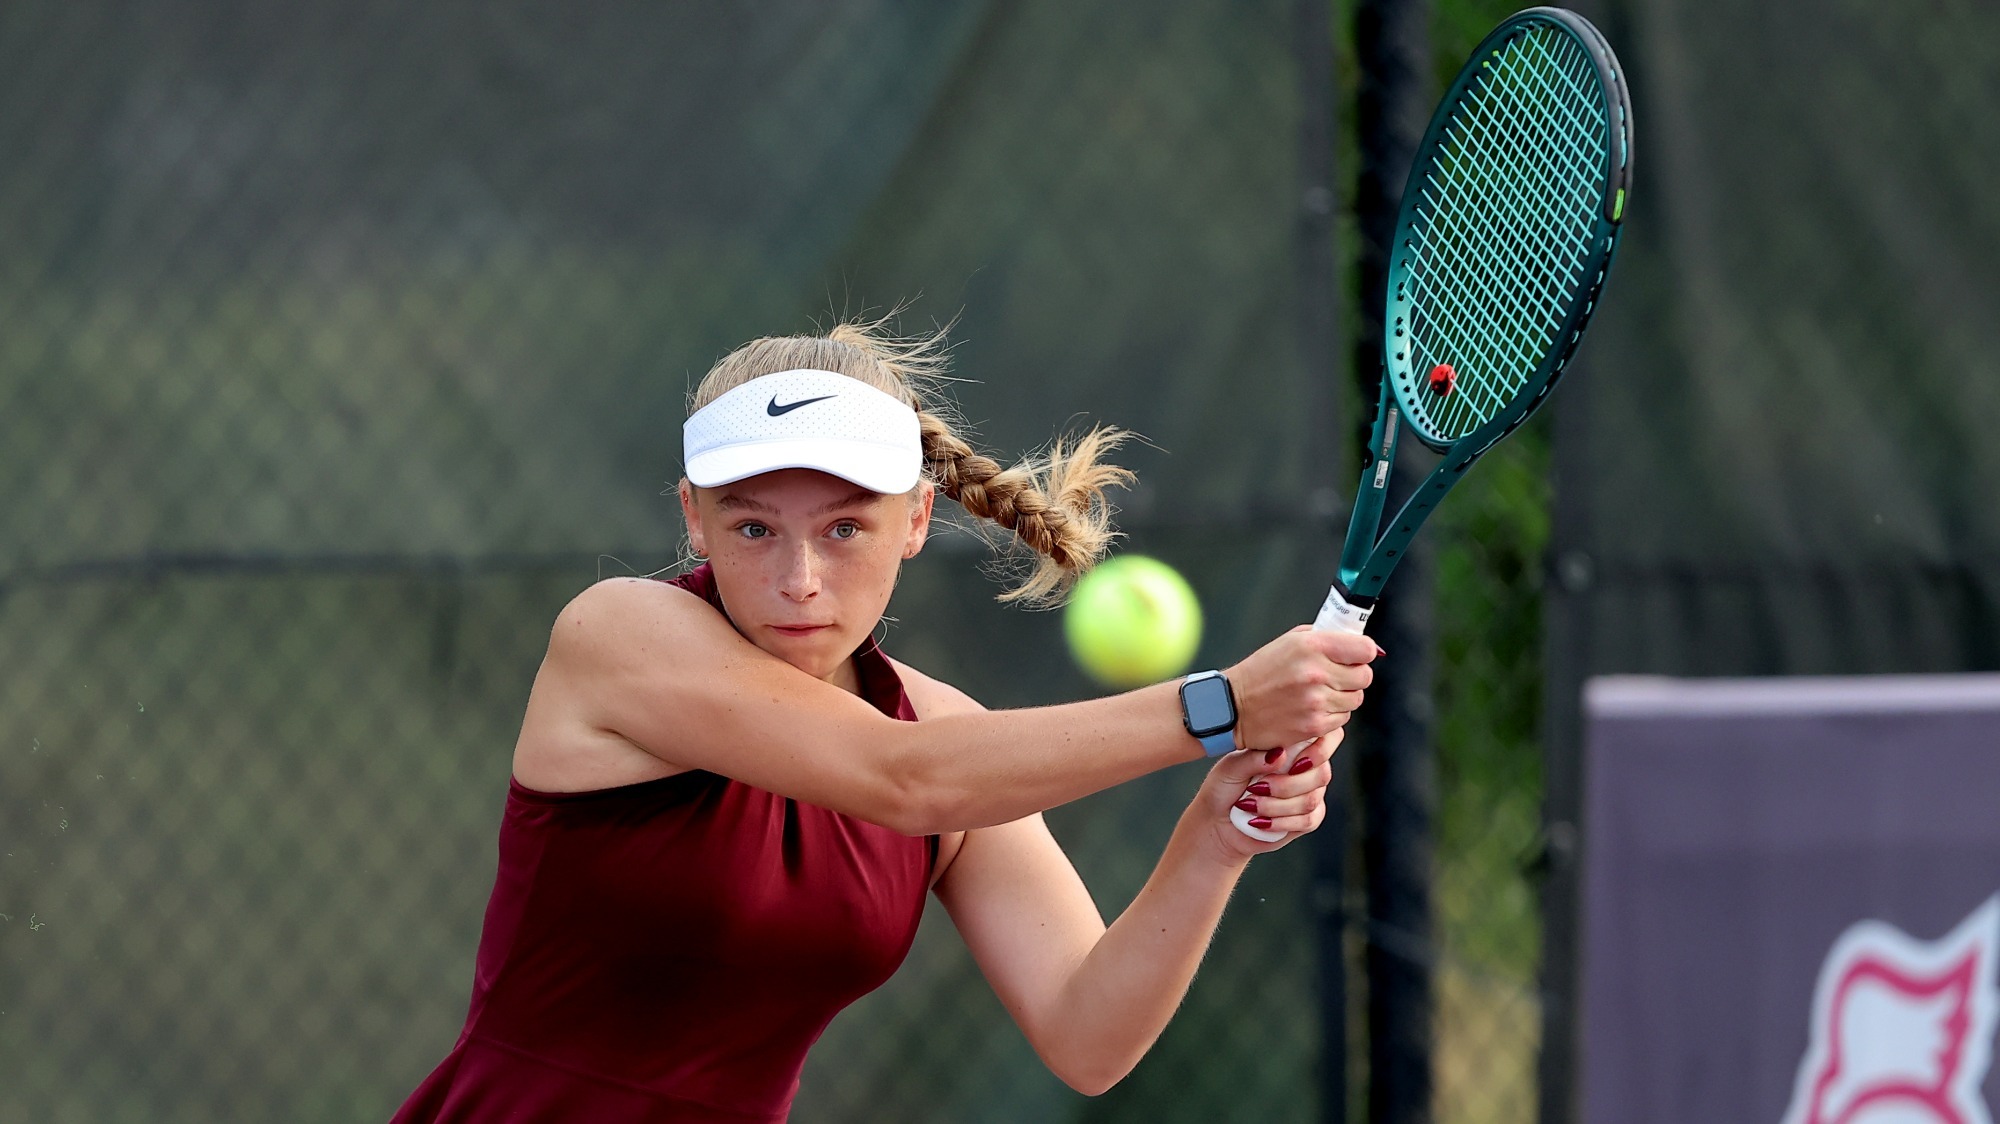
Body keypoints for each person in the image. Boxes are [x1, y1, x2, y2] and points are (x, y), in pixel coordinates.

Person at [391, 321, 1377, 1122]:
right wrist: (1219, 707)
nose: (798, 578)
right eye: (751, 526)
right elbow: (902, 779)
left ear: (913, 520)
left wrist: (1214, 834)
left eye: (843, 527)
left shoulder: (941, 730)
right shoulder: (619, 635)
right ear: (692, 517)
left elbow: (1087, 1033)